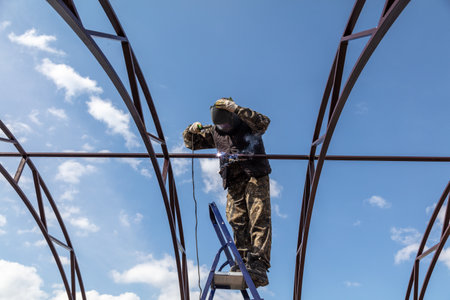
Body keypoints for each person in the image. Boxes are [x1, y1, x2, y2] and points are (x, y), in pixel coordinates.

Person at [183, 97, 272, 287]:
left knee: (258, 216)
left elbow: (263, 123)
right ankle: (242, 262)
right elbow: (191, 143)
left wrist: (238, 109)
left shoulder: (246, 122)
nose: (223, 127)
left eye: (226, 123)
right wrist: (191, 129)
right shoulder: (216, 130)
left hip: (255, 175)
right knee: (236, 219)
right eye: (220, 125)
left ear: (232, 117)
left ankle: (258, 264)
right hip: (233, 180)